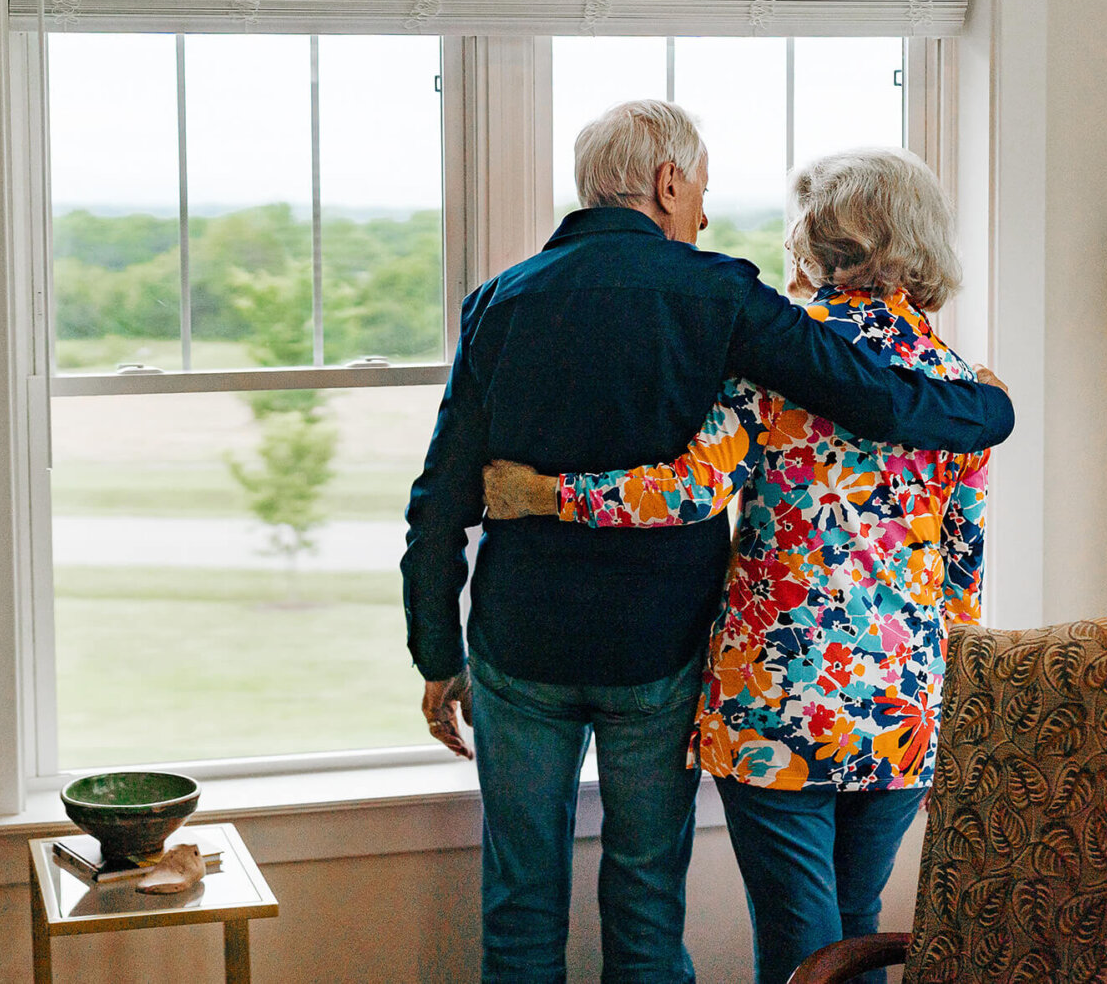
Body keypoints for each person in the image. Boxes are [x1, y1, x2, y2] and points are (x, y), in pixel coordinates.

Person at [399, 103, 1013, 983]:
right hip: (813, 680)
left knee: (536, 907)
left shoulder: (503, 302)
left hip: (630, 667)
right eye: (702, 194)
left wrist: (447, 631)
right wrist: (991, 411)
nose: (706, 216)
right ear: (668, 183)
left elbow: (458, 494)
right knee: (742, 916)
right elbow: (946, 531)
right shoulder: (748, 305)